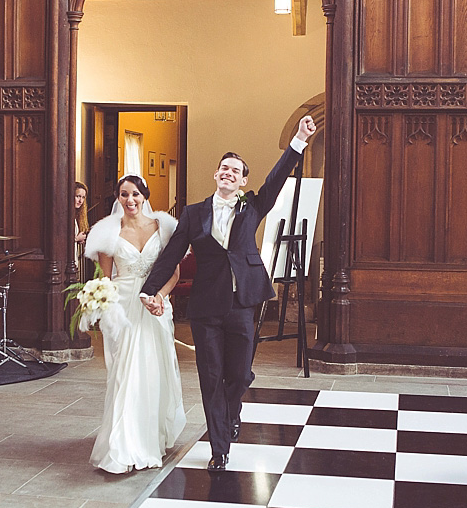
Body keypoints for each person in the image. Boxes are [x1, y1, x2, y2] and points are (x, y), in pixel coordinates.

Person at [141, 115, 316, 472]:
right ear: (216, 175)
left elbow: (277, 177)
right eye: (223, 168)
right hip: (206, 307)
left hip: (242, 304)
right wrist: (149, 289)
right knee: (210, 375)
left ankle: (232, 411)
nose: (228, 173)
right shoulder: (193, 214)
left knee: (238, 374)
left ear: (243, 181)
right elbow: (171, 254)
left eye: (235, 171)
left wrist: (298, 139)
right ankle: (219, 447)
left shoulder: (253, 206)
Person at [84, 175, 186, 473]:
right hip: (124, 306)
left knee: (154, 369)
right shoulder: (107, 232)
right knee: (126, 373)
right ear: (118, 198)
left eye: (136, 194)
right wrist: (103, 305)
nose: (130, 200)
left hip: (154, 305)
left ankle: (150, 435)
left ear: (145, 196)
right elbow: (104, 277)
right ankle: (122, 444)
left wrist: (160, 297)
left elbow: (173, 272)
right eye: (124, 195)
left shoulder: (163, 227)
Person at [73, 182, 90, 283]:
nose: (80, 201)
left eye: (83, 197)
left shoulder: (75, 215)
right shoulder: (65, 214)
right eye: (78, 196)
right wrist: (76, 239)